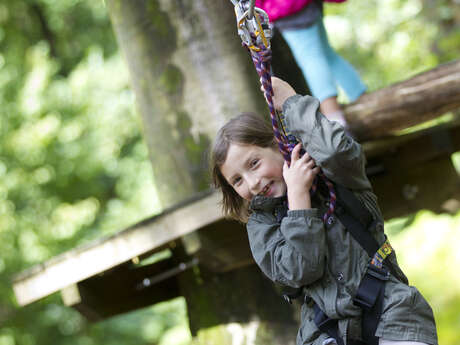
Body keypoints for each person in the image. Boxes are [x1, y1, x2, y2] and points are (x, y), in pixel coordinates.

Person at [210, 77, 438, 345]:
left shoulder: (335, 176)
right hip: (325, 332)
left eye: (254, 163)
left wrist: (292, 103)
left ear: (276, 144)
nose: (252, 182)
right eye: (237, 180)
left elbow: (336, 150)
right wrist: (298, 200)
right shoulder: (261, 227)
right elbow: (301, 269)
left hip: (392, 312)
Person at [255, 0, 366, 128]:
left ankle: (335, 118)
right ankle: (362, 98)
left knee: (311, 59)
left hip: (286, 8)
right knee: (327, 55)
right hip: (303, 5)